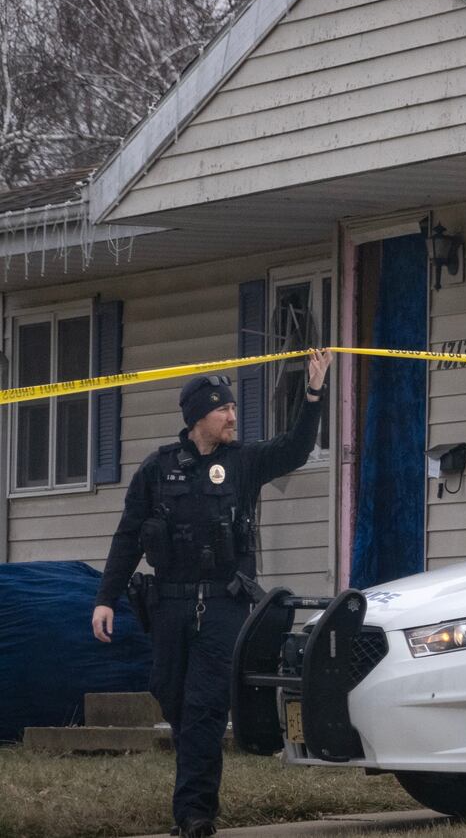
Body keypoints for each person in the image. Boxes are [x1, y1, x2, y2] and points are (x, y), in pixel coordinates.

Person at [92, 349, 332, 838]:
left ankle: (195, 814)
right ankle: (192, 799)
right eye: (223, 409)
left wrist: (313, 393)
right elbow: (128, 536)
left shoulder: (243, 463)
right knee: (174, 700)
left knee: (204, 707)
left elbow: (295, 449)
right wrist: (105, 598)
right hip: (169, 606)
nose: (232, 416)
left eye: (233, 408)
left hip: (223, 606)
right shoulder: (157, 470)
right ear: (198, 416)